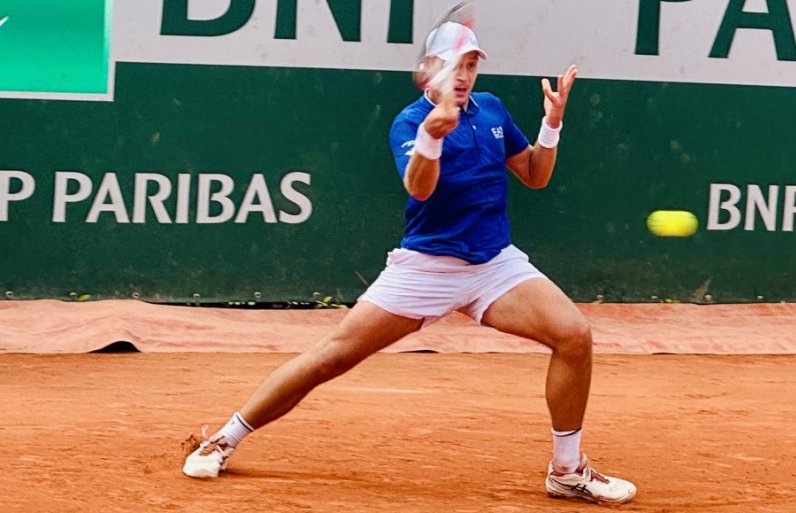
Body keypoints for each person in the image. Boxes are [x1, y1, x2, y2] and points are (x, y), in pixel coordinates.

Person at [183, 20, 637, 505]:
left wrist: (552, 124)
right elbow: (420, 188)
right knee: (331, 357)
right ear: (430, 70)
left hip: (494, 265)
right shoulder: (409, 122)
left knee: (574, 335)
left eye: (470, 65)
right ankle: (224, 439)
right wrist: (431, 137)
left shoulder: (492, 109)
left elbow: (534, 175)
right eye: (454, 65)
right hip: (426, 268)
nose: (463, 75)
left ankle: (566, 471)